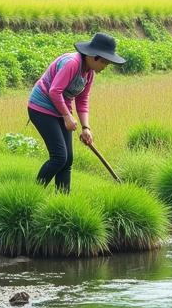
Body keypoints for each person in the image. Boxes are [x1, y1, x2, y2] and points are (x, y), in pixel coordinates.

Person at [27, 32, 125, 192]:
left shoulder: (89, 73)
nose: (105, 67)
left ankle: (63, 199)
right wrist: (67, 116)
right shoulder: (72, 63)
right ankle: (33, 194)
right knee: (59, 157)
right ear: (94, 57)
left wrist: (86, 128)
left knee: (68, 159)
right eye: (105, 63)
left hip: (60, 109)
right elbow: (54, 91)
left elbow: (82, 100)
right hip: (41, 108)